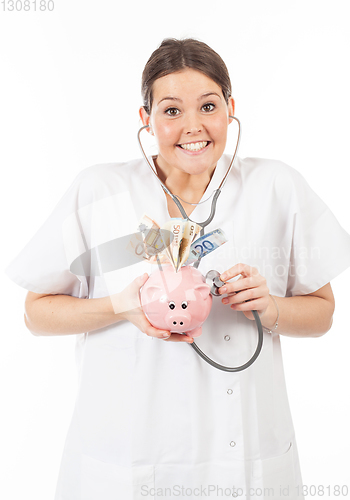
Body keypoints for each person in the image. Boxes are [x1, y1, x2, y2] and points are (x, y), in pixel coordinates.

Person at [5, 38, 350, 500]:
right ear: (145, 118)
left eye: (208, 106)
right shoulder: (102, 191)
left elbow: (323, 314)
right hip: (127, 460)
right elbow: (36, 314)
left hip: (242, 459)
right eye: (171, 111)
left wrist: (270, 308)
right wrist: (120, 308)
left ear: (230, 108)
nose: (193, 126)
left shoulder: (275, 187)